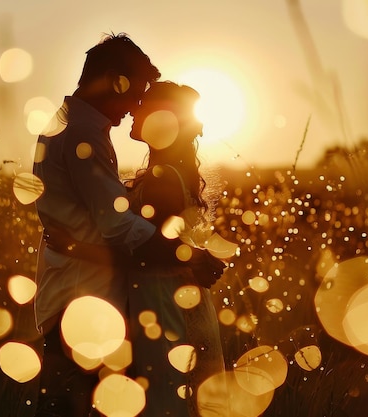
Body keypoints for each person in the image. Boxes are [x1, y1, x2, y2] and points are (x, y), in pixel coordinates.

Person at [32, 34, 224, 417]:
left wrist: (72, 245)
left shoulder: (69, 126)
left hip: (95, 301)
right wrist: (189, 255)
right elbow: (119, 227)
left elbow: (109, 221)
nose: (135, 105)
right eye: (134, 92)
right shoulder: (84, 134)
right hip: (84, 302)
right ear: (112, 79)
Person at [125, 81, 227, 416]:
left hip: (163, 303)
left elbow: (152, 246)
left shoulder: (161, 178)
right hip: (181, 300)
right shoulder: (173, 172)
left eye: (142, 106)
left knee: (166, 401)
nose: (133, 111)